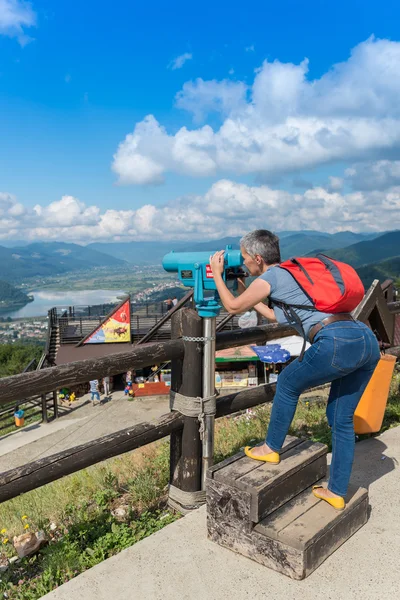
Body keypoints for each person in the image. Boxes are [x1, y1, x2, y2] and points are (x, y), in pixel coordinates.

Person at [209, 229, 380, 511]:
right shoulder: (291, 274)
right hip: (364, 339)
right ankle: (336, 491)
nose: (243, 263)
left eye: (244, 258)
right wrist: (243, 288)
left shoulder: (271, 277)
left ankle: (271, 448)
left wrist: (216, 273)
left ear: (258, 258)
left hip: (335, 341)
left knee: (288, 382)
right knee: (340, 417)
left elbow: (233, 307)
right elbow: (277, 315)